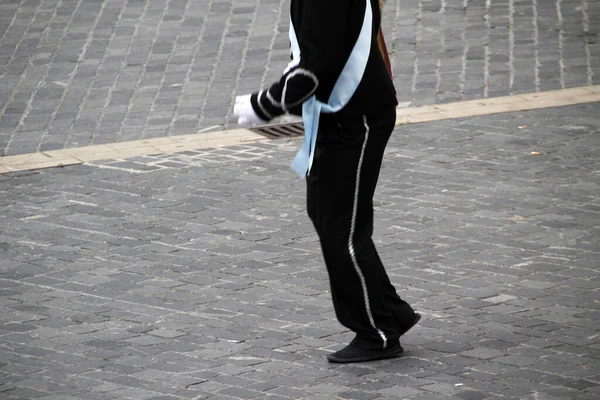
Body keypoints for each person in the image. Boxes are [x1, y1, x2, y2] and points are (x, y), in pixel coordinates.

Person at [234, 0, 420, 363]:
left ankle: (377, 332)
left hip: (355, 116)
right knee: (326, 214)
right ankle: (390, 312)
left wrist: (265, 104)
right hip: (342, 114)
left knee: (341, 228)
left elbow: (316, 68)